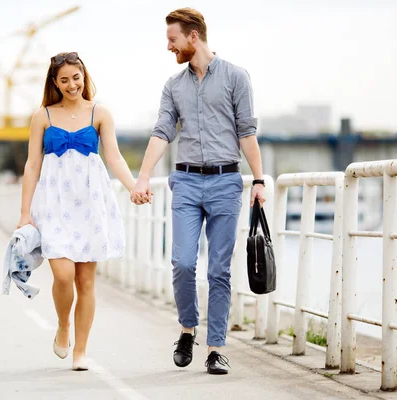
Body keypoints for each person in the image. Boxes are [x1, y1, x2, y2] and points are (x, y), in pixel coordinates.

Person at [131, 8, 267, 375]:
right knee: (183, 263)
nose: (169, 47)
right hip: (187, 182)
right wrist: (142, 178)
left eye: (172, 40)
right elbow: (162, 131)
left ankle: (216, 348)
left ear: (194, 37)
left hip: (225, 182)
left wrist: (258, 180)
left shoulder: (236, 77)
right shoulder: (173, 86)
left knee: (219, 271)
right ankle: (188, 328)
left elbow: (246, 132)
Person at [17, 51, 136, 371]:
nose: (72, 84)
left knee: (85, 282)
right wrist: (25, 212)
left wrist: (133, 186)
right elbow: (32, 165)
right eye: (65, 79)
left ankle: (80, 351)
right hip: (53, 204)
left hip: (90, 203)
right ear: (54, 82)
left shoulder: (100, 113)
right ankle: (63, 324)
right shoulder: (42, 116)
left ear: (85, 77)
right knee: (63, 274)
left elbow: (114, 157)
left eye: (77, 77)